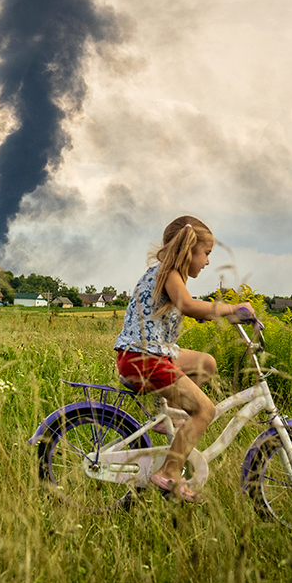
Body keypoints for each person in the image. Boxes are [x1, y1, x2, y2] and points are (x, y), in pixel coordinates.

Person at [113, 215, 256, 504]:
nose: (206, 262)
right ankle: (170, 473)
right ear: (189, 250)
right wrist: (233, 308)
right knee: (205, 410)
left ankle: (166, 417)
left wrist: (211, 314)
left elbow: (178, 307)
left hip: (147, 353)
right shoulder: (169, 273)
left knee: (207, 363)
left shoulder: (165, 274)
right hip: (145, 359)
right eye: (206, 254)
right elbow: (188, 305)